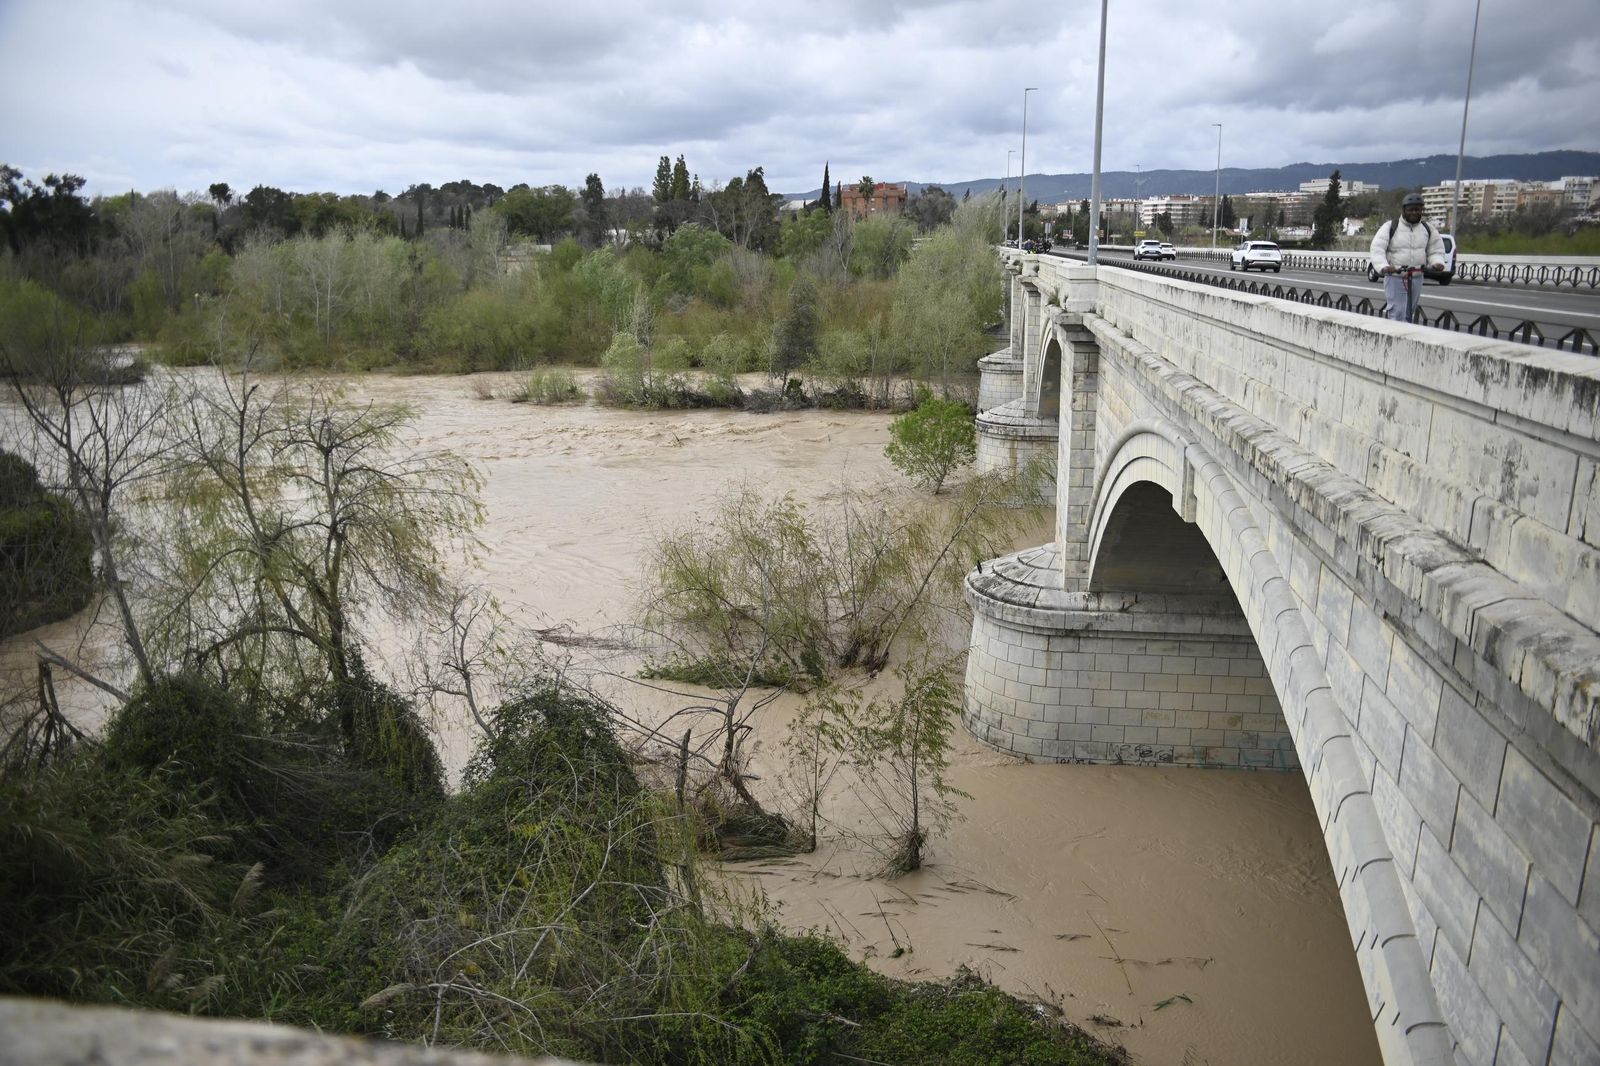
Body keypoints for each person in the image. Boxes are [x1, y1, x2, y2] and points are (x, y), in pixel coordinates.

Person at [1369, 192, 1446, 323]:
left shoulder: (1427, 229)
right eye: (1410, 210)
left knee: (1410, 311)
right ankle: (1395, 337)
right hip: (1395, 276)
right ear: (1404, 210)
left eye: (1417, 209)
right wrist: (1384, 267)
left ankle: (1405, 337)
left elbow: (1435, 250)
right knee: (1397, 311)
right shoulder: (1390, 227)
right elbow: (1377, 249)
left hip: (1416, 276)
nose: (1414, 213)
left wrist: (1437, 262)